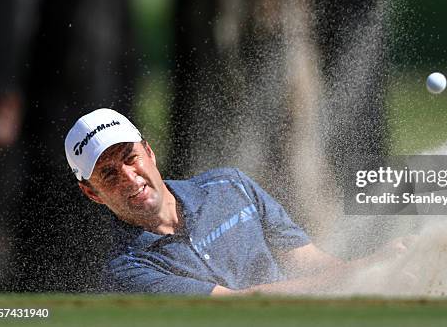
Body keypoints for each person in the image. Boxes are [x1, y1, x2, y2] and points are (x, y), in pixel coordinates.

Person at [65, 108, 411, 294]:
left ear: (150, 153)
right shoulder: (127, 270)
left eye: (130, 157)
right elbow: (243, 308)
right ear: (92, 193)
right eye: (108, 174)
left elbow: (311, 264)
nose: (129, 176)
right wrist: (364, 268)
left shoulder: (230, 186)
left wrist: (380, 277)